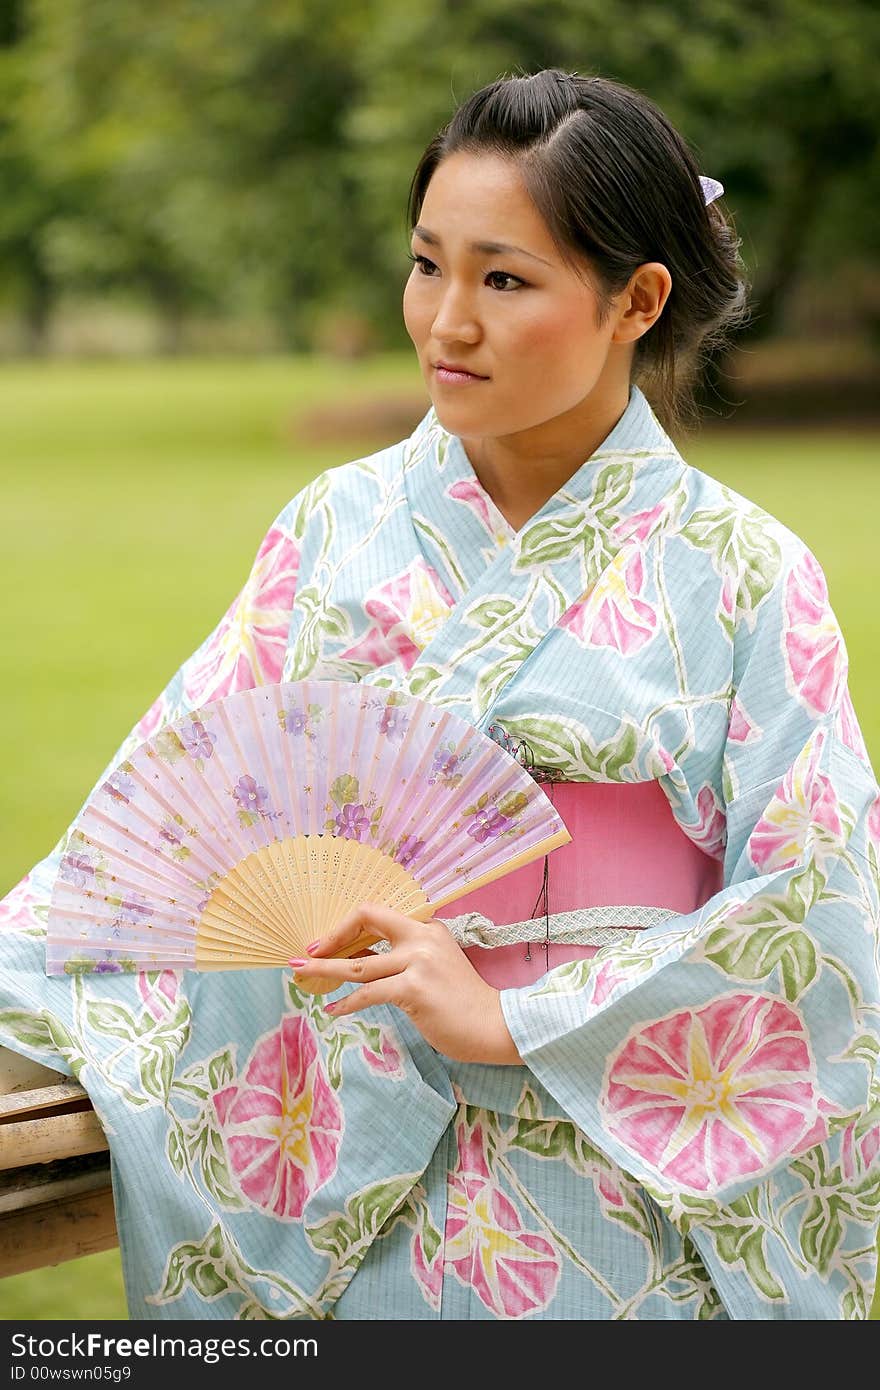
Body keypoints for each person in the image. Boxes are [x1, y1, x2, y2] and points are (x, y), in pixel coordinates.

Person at [2, 67, 878, 1322]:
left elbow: (826, 919)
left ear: (636, 299)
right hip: (347, 1150)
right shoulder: (333, 529)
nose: (444, 322)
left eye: (503, 279)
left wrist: (522, 1014)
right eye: (427, 265)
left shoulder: (742, 574)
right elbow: (155, 839)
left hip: (607, 1182)